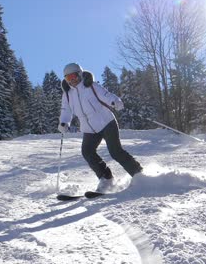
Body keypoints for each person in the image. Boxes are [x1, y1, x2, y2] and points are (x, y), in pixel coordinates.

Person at [58, 62, 143, 193]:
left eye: (74, 76)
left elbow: (106, 95)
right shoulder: (68, 94)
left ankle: (139, 176)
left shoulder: (91, 86)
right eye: (68, 78)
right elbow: (66, 110)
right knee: (87, 152)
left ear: (80, 74)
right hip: (88, 128)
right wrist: (64, 122)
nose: (72, 81)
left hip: (106, 122)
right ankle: (106, 179)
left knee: (115, 152)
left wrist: (115, 101)